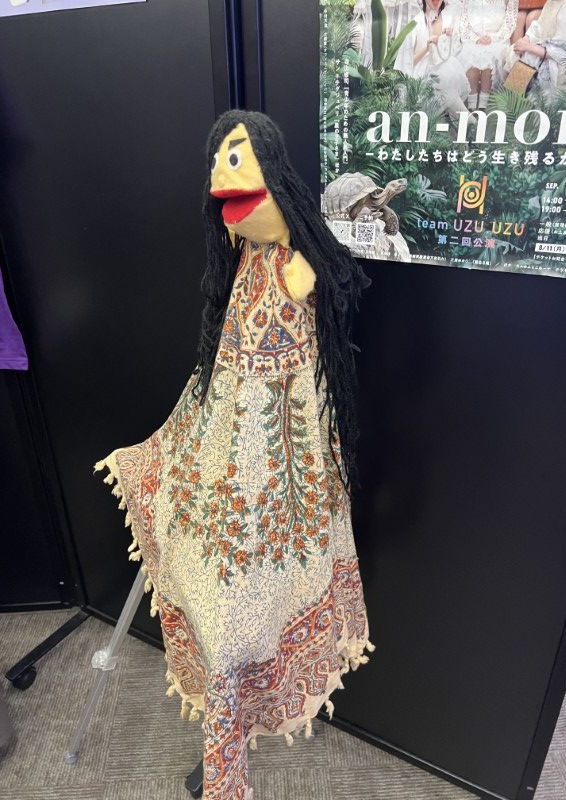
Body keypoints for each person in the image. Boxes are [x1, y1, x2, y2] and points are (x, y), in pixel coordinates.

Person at [94, 110, 373, 800]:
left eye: (238, 157)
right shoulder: (242, 259)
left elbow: (314, 352)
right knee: (209, 562)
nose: (223, 174)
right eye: (219, 160)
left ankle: (244, 700)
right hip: (222, 443)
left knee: (259, 589)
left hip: (280, 459)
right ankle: (230, 708)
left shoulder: (298, 269)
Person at [394, 0, 470, 119]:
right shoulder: (415, 23)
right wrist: (426, 48)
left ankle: (469, 122)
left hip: (439, 76)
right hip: (419, 79)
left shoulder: (447, 20)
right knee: (444, 84)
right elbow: (406, 64)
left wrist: (449, 38)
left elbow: (449, 55)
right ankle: (469, 122)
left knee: (445, 80)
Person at [510, 0, 566, 91]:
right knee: (516, 53)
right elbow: (538, 27)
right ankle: (511, 93)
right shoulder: (552, 2)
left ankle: (514, 93)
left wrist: (529, 47)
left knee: (528, 57)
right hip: (542, 51)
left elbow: (564, 53)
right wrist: (525, 39)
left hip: (559, 65)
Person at [458, 0, 519, 109]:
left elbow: (510, 23)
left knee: (489, 56)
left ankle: (483, 105)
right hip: (473, 40)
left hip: (498, 40)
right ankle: (471, 106)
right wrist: (476, 39)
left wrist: (493, 38)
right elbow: (464, 23)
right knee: (470, 55)